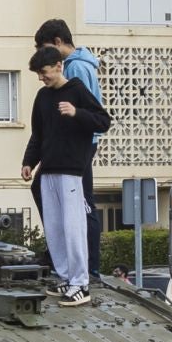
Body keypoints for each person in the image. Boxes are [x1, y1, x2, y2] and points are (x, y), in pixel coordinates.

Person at [20, 46, 111, 307]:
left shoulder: (78, 89)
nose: (42, 78)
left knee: (73, 227)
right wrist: (29, 161)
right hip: (48, 169)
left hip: (72, 171)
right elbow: (38, 134)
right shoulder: (42, 97)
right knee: (55, 228)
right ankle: (65, 277)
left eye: (44, 72)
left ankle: (80, 283)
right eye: (39, 74)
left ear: (59, 66)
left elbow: (103, 121)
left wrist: (77, 113)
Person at [33, 20, 104, 274]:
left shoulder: (76, 70)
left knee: (83, 204)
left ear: (59, 43)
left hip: (80, 146)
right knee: (48, 191)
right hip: (65, 146)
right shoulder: (78, 66)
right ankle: (60, 253)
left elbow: (96, 113)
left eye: (46, 49)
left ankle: (88, 266)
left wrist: (75, 116)